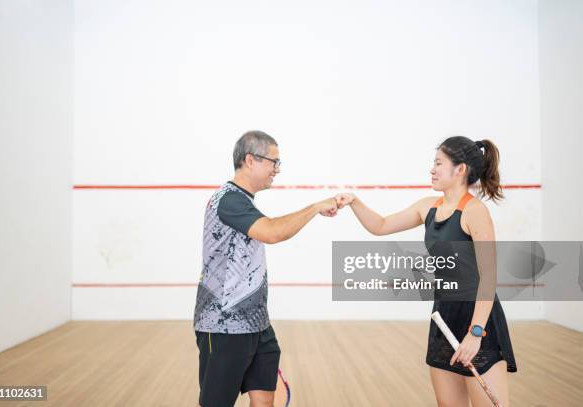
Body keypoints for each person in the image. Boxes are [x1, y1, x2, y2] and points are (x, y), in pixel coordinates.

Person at [336, 136, 517, 406]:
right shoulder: (427, 208)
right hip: (444, 318)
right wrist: (354, 201)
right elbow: (381, 225)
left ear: (460, 170)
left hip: (478, 322)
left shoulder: (474, 212)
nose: (432, 170)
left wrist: (475, 332)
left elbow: (488, 277)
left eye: (438, 163)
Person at [193, 130, 338, 407]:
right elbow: (271, 232)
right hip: (223, 326)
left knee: (264, 401)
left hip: (257, 325)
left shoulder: (243, 201)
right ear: (251, 159)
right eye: (274, 161)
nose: (277, 169)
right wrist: (315, 207)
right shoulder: (228, 199)